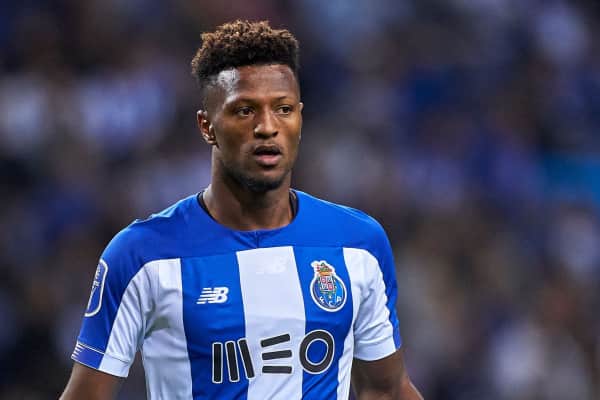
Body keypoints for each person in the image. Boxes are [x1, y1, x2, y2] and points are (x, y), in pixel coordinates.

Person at [60, 20, 423, 400]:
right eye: (245, 111)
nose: (267, 127)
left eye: (283, 109)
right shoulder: (142, 255)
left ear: (300, 118)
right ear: (207, 126)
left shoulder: (357, 244)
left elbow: (387, 390)